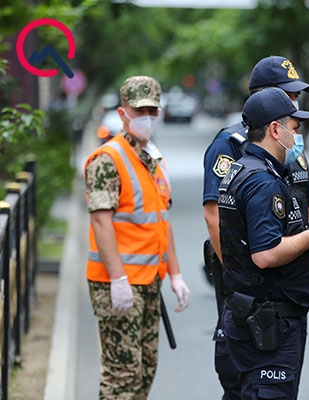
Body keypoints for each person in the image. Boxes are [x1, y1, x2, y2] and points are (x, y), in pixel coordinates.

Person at [202, 55, 309, 399]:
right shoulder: (234, 147)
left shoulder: (288, 152)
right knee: (254, 384)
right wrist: (243, 280)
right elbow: (216, 216)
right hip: (254, 292)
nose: (294, 104)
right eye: (288, 97)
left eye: (296, 96)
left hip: (287, 291)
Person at [83, 75, 191, 400]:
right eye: (139, 109)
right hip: (118, 284)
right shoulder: (107, 160)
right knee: (122, 378)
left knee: (144, 371)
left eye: (152, 110)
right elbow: (101, 222)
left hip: (149, 283)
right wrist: (117, 279)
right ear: (122, 112)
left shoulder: (153, 161)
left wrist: (176, 275)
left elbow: (162, 220)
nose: (146, 116)